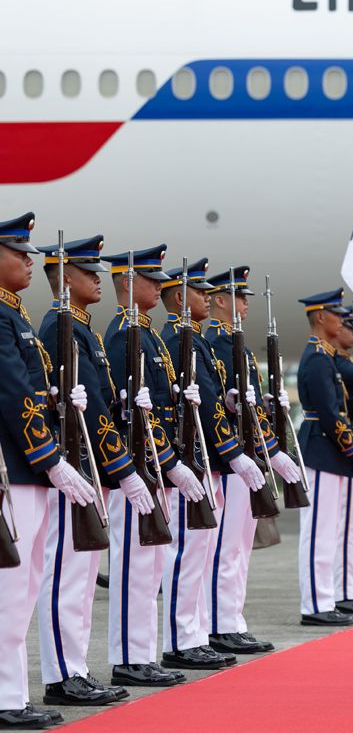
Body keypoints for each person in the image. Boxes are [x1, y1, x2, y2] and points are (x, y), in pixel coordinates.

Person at [36, 236, 141, 707]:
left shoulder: (85, 330)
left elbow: (101, 401)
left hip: (91, 466)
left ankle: (75, 667)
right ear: (64, 279)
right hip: (75, 465)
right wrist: (119, 465)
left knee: (82, 575)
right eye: (88, 272)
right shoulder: (60, 325)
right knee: (66, 573)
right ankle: (62, 675)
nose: (99, 279)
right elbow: (84, 406)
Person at [0, 213, 88, 729]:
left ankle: (13, 693)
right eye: (19, 254)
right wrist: (50, 458)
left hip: (27, 469)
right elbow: (12, 395)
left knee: (25, 584)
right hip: (16, 469)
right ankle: (5, 697)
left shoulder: (18, 318)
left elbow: (30, 391)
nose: (30, 263)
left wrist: (58, 399)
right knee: (12, 587)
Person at [100, 245, 188, 688]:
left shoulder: (149, 335)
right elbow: (129, 410)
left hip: (155, 462)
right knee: (134, 565)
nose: (160, 287)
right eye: (152, 280)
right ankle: (128, 657)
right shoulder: (122, 335)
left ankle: (143, 652)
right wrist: (163, 462)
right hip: (137, 464)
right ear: (130, 284)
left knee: (151, 566)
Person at [204, 266, 302, 654]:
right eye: (241, 298)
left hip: (248, 458)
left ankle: (231, 619)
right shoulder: (213, 344)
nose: (246, 305)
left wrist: (272, 448)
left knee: (239, 548)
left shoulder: (239, 348)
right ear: (222, 301)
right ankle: (219, 624)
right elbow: (218, 405)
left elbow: (251, 407)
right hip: (229, 460)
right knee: (224, 548)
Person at [158, 259, 237, 672]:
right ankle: (181, 640)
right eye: (198, 291)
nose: (207, 296)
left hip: (205, 457)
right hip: (190, 455)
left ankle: (196, 634)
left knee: (200, 552)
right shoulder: (176, 339)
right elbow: (199, 402)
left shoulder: (195, 339)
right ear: (177, 298)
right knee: (186, 552)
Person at [294, 289, 353, 627]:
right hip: (320, 450)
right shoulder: (317, 358)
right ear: (321, 318)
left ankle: (326, 598)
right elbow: (329, 416)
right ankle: (315, 604)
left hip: (330, 452)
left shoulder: (327, 357)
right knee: (318, 532)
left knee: (329, 530)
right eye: (337, 314)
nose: (343, 320)